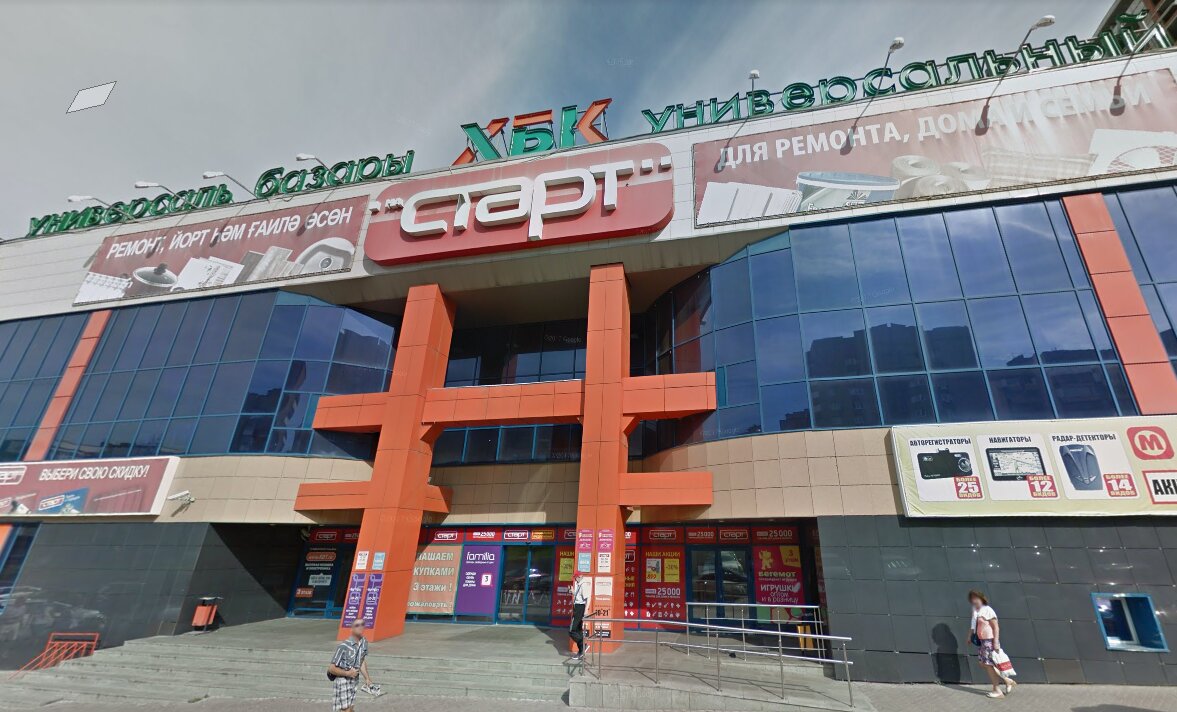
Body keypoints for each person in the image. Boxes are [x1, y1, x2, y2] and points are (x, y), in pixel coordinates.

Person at [968, 590, 1016, 699]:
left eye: (976, 598)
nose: (974, 600)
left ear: (981, 598)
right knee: (983, 663)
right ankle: (1007, 680)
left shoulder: (988, 610)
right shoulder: (976, 610)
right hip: (982, 642)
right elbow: (973, 625)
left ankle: (997, 690)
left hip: (989, 641)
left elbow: (996, 627)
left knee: (989, 665)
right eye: (972, 598)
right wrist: (969, 636)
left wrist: (996, 642)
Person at [328, 619, 373, 712]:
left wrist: (367, 678)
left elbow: (361, 661)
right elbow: (331, 668)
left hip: (354, 679)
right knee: (346, 709)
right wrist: (348, 673)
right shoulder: (344, 646)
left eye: (362, 624)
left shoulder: (364, 642)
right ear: (351, 629)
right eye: (357, 625)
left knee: (351, 708)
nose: (360, 627)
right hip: (342, 679)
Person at [569, 571, 590, 660]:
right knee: (578, 630)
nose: (575, 579)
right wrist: (573, 592)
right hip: (578, 607)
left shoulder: (583, 584)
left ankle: (583, 646)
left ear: (580, 576)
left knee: (572, 630)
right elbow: (579, 596)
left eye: (576, 577)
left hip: (580, 607)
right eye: (575, 577)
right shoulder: (579, 584)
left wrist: (586, 610)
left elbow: (588, 597)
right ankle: (581, 650)